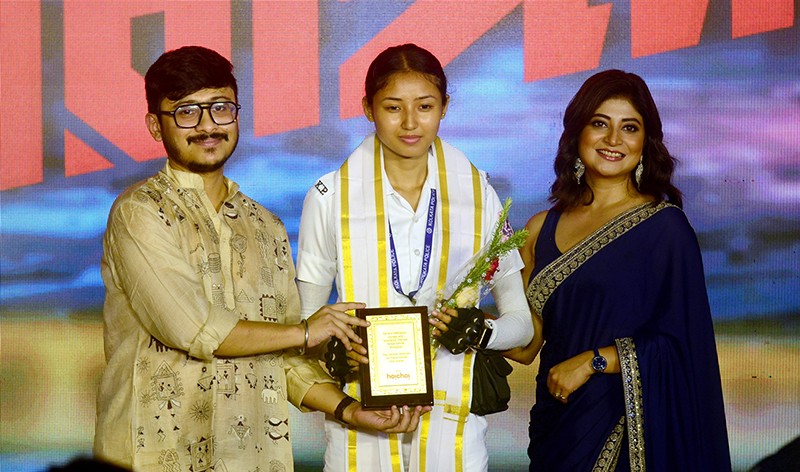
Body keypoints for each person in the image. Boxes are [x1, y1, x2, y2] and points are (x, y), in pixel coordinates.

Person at [94, 45, 427, 471]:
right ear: (156, 126)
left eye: (220, 108)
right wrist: (305, 331)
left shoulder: (265, 226)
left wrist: (349, 409)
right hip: (156, 456)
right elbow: (196, 329)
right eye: (186, 112)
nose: (207, 125)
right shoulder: (140, 213)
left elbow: (284, 356)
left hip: (250, 456)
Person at [296, 43, 534, 471]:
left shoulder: (479, 195)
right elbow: (306, 325)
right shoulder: (329, 197)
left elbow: (522, 324)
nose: (410, 123)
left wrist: (481, 332)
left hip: (455, 424)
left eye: (425, 106)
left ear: (445, 107)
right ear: (367, 109)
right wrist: (334, 350)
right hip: (359, 421)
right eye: (393, 107)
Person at [508, 69, 731, 470]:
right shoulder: (540, 229)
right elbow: (526, 346)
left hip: (624, 425)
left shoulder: (664, 228)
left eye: (629, 127)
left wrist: (592, 361)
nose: (613, 140)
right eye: (600, 124)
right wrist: (466, 326)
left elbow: (683, 346)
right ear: (577, 133)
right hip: (558, 426)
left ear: (645, 143)